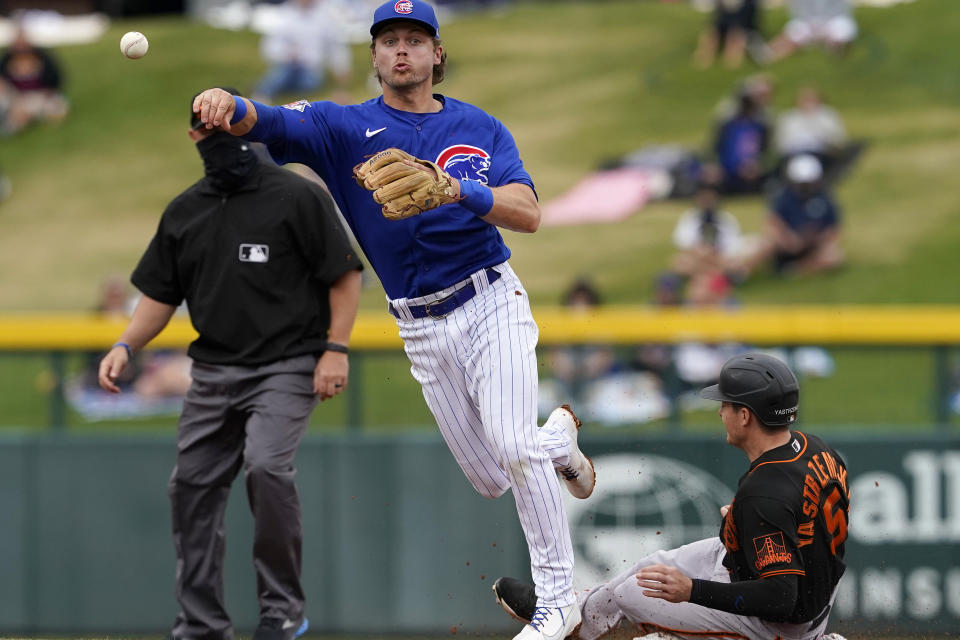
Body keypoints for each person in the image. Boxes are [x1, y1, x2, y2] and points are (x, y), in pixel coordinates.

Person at [190, 3, 596, 639]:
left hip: (491, 299)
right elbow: (261, 119)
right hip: (421, 325)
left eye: (415, 39)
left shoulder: (479, 126)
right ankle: (558, 443)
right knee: (492, 476)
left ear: (437, 54)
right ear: (374, 57)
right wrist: (224, 100)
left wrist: (459, 189)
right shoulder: (339, 127)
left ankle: (558, 598)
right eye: (388, 41)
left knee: (511, 447)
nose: (401, 50)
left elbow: (529, 212)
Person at [98, 88, 364, 640]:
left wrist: (335, 350)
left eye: (228, 126)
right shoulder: (186, 210)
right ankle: (200, 623)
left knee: (266, 467)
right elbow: (160, 295)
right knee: (190, 485)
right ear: (195, 136)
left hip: (288, 364)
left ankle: (282, 609)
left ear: (249, 128)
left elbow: (344, 273)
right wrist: (126, 345)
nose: (219, 138)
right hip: (214, 370)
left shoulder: (295, 196)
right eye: (207, 128)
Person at [492, 353, 851, 640]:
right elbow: (808, 526)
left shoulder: (765, 494)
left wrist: (693, 590)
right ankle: (571, 615)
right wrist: (749, 529)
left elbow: (780, 597)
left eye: (725, 404)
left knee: (636, 599)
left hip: (780, 623)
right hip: (799, 586)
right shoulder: (816, 449)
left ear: (745, 416)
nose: (719, 410)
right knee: (648, 571)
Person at [741, 154, 844, 277]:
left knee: (834, 257)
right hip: (786, 245)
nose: (805, 187)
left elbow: (834, 229)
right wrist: (788, 239)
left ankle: (796, 269)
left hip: (812, 247)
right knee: (765, 244)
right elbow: (772, 222)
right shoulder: (783, 197)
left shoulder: (824, 198)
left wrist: (817, 239)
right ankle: (740, 273)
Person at [252, 0, 353, 104]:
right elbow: (271, 46)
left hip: (311, 68)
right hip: (287, 64)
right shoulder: (285, 14)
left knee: (309, 83)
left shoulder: (325, 16)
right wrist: (286, 54)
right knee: (281, 74)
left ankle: (279, 89)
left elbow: (335, 46)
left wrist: (341, 68)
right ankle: (262, 94)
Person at [773, 86, 865, 187]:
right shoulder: (788, 118)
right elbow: (780, 143)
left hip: (821, 154)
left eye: (811, 99)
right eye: (805, 99)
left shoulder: (828, 117)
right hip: (794, 154)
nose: (808, 103)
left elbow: (838, 140)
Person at [0, 22, 68, 136]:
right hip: (16, 97)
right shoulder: (6, 59)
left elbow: (55, 79)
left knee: (56, 108)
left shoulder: (42, 57)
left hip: (40, 95)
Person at [669, 181, 744, 280]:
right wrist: (701, 251)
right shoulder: (690, 217)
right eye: (703, 198)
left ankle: (706, 277)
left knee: (735, 263)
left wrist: (715, 255)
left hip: (720, 257)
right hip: (697, 256)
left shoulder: (726, 218)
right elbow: (681, 240)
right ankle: (721, 275)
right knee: (680, 262)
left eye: (710, 199)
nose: (707, 202)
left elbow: (734, 244)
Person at [768, 0, 858, 62]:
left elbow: (842, 9)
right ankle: (771, 53)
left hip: (832, 19)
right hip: (807, 21)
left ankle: (835, 48)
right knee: (795, 30)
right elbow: (797, 10)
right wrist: (812, 22)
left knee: (843, 28)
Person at [692, 0, 763, 69]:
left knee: (735, 35)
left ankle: (732, 48)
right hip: (724, 17)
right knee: (712, 34)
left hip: (743, 20)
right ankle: (709, 51)